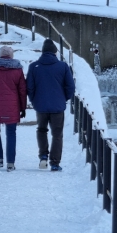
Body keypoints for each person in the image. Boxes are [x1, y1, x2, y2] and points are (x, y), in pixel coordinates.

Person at [27, 39, 75, 172]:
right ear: (55, 52)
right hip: (57, 107)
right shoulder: (63, 66)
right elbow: (70, 86)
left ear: (42, 52)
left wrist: (34, 100)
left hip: (40, 106)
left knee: (41, 130)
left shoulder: (34, 66)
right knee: (57, 134)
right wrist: (63, 99)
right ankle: (54, 163)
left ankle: (43, 156)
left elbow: (29, 87)